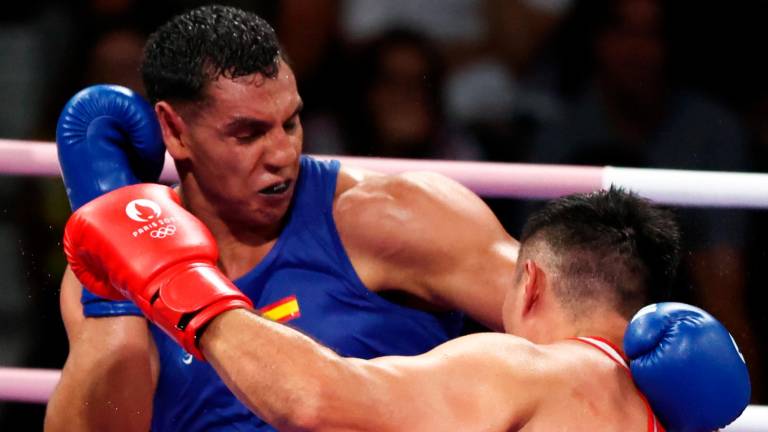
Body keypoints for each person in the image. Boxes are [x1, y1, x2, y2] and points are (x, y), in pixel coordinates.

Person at [44, 5, 517, 431]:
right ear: (174, 130)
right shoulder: (106, 268)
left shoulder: (392, 215)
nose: (282, 154)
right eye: (248, 134)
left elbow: (574, 330)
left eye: (290, 122)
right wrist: (116, 289)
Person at [62, 185, 751, 431]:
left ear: (531, 283)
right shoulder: (667, 405)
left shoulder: (519, 368)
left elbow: (311, 399)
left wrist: (185, 288)